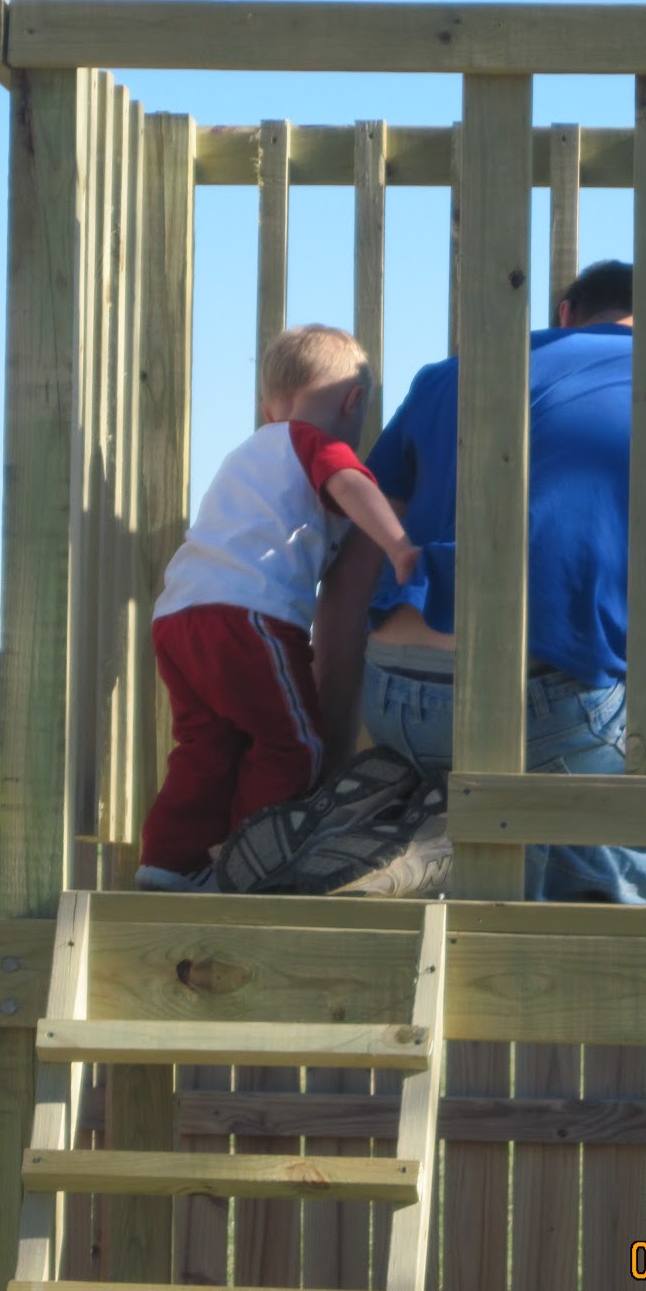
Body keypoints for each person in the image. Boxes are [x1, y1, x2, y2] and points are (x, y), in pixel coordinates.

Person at [216, 263, 646, 903]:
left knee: (624, 752)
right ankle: (464, 851)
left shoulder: (453, 377)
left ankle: (385, 815)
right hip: (543, 709)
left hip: (396, 691)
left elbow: (351, 577)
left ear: (566, 315)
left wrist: (332, 760)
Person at [133, 324, 420, 892]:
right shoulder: (314, 443)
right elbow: (347, 483)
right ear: (353, 401)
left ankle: (167, 862)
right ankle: (249, 865)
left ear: (268, 403)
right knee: (296, 745)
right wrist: (396, 544)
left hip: (178, 617)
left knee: (206, 744)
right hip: (249, 617)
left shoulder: (246, 455)